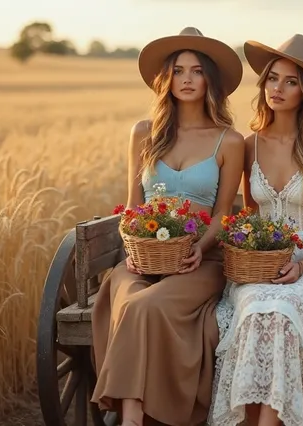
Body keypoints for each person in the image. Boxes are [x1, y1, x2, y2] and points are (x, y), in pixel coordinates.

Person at [90, 27, 245, 426]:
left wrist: (199, 247)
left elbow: (224, 214)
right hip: (144, 255)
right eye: (178, 71)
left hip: (201, 259)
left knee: (147, 306)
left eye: (196, 71)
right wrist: (134, 247)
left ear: (210, 79)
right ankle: (133, 416)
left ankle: (131, 417)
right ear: (167, 79)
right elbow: (133, 204)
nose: (188, 79)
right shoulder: (144, 133)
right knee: (128, 298)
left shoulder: (229, 140)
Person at [209, 34, 303, 426]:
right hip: (262, 264)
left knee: (286, 309)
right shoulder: (250, 145)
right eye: (273, 78)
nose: (278, 88)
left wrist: (302, 267)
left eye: (290, 81)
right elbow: (252, 214)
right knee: (259, 307)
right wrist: (254, 256)